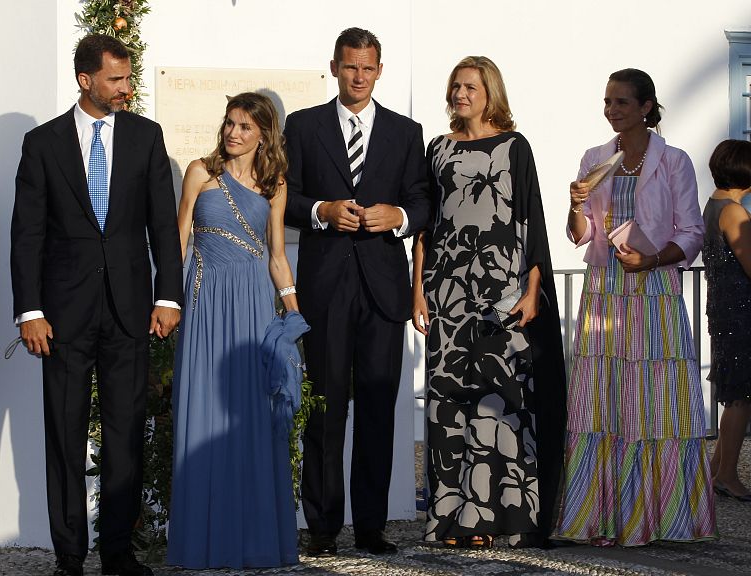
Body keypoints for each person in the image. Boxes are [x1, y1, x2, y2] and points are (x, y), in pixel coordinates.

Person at [10, 34, 182, 576]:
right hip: (61, 317)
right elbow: (27, 235)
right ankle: (69, 556)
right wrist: (30, 310)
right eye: (116, 79)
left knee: (126, 433)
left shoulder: (146, 137)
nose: (126, 88)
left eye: (128, 78)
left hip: (131, 311)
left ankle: (117, 553)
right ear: (86, 80)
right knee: (64, 434)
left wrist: (168, 295)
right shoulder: (42, 144)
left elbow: (163, 224)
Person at [284, 27, 430, 556]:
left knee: (376, 408)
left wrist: (401, 216)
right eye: (350, 66)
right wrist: (321, 210)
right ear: (334, 67)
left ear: (380, 70)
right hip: (324, 285)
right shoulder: (303, 126)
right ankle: (322, 528)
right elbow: (285, 197)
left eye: (368, 68)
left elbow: (424, 202)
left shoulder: (406, 132)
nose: (359, 76)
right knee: (324, 410)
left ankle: (371, 527)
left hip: (383, 289)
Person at [412, 56, 566, 549]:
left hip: (501, 294)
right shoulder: (438, 149)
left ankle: (491, 518)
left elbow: (531, 219)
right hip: (446, 291)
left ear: (490, 92)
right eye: (455, 86)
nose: (460, 94)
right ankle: (449, 520)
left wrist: (533, 290)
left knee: (499, 401)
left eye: (470, 87)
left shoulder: (515, 147)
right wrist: (418, 290)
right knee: (447, 402)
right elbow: (426, 226)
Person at [558, 68, 715, 546]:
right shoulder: (595, 157)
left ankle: (660, 515)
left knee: (655, 399)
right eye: (607, 101)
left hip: (654, 288)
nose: (611, 110)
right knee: (602, 398)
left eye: (621, 102)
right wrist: (575, 204)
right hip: (604, 286)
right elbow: (582, 234)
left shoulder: (674, 160)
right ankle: (598, 516)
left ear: (646, 107)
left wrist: (650, 260)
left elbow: (692, 232)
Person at [166, 92, 302, 569]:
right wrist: (167, 301)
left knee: (251, 416)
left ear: (264, 134)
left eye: (244, 126)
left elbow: (277, 256)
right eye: (229, 123)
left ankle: (253, 541)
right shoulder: (200, 172)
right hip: (205, 301)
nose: (233, 133)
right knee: (203, 410)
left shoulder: (275, 184)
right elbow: (178, 241)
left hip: (253, 306)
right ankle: (202, 543)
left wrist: (292, 314)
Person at [702, 139, 751, 501]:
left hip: (725, 308)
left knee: (737, 392)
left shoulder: (714, 203)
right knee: (742, 396)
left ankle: (718, 469)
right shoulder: (734, 212)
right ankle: (728, 475)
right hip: (742, 311)